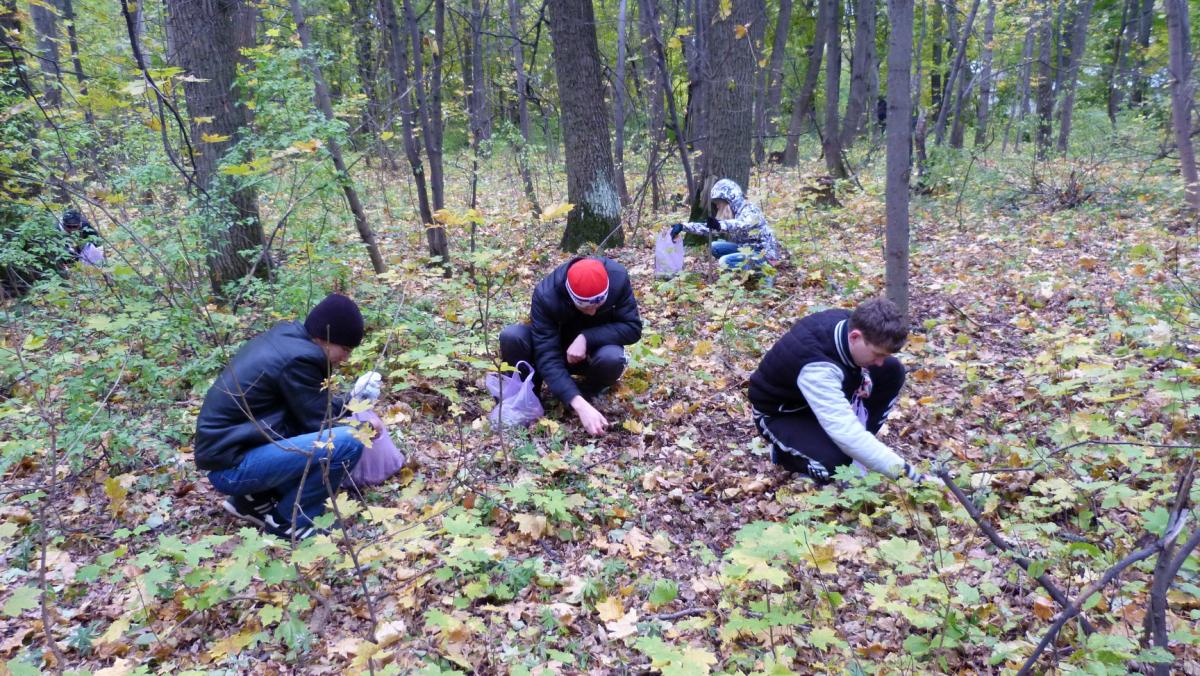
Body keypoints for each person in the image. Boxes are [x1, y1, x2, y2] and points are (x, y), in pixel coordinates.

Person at [194, 293, 383, 540]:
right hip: (233, 467)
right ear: (325, 338)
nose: (346, 358)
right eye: (345, 349)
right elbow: (320, 423)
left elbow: (307, 407)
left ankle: (252, 501)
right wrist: (359, 415)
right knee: (349, 440)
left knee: (330, 438)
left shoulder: (287, 339)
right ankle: (291, 521)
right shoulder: (301, 359)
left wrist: (351, 401)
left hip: (228, 456)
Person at [748, 298, 939, 485]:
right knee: (839, 466)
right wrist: (911, 477)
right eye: (877, 354)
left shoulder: (852, 323)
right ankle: (787, 454)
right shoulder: (818, 369)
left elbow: (858, 362)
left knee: (891, 370)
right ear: (855, 337)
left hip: (816, 397)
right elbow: (846, 433)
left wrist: (864, 375)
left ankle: (864, 445)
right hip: (782, 414)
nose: (880, 361)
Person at [499, 257, 643, 436]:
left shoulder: (618, 278)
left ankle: (591, 391)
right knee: (512, 336)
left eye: (598, 304)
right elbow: (547, 355)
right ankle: (526, 398)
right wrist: (579, 406)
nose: (592, 312)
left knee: (612, 357)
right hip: (557, 350)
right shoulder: (546, 295)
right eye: (584, 305)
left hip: (592, 354)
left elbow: (632, 328)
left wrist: (587, 338)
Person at [670, 179, 782, 274]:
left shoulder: (749, 209)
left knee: (725, 261)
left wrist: (719, 225)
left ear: (728, 200)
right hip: (747, 249)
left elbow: (742, 224)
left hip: (763, 255)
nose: (718, 206)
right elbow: (710, 228)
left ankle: (758, 274)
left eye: (719, 202)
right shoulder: (734, 213)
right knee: (714, 246)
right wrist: (683, 227)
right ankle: (745, 272)